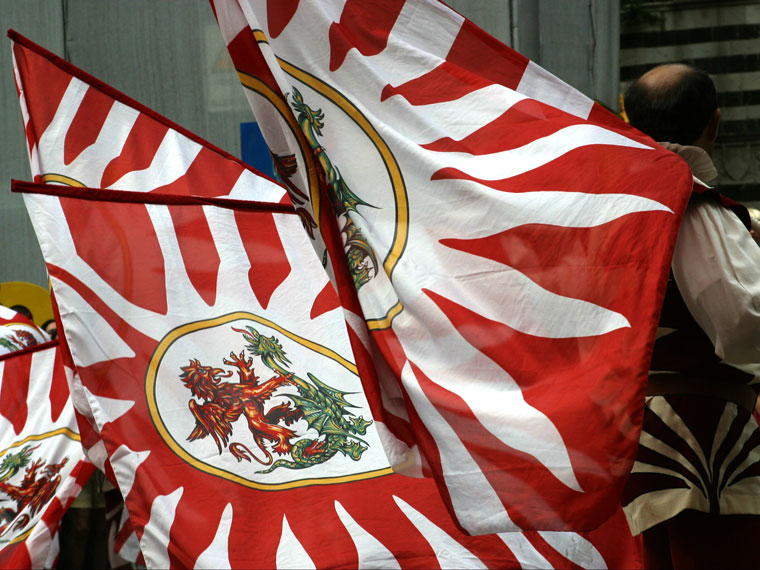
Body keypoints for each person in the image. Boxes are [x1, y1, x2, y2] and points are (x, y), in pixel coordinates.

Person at [621, 63, 760, 569]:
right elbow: (741, 324)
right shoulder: (694, 203)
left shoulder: (622, 208)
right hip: (702, 434)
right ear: (714, 123)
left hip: (649, 434)